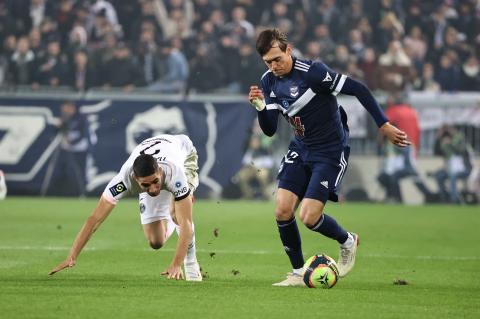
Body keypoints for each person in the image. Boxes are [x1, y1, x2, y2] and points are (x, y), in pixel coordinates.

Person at [248, 28, 410, 286]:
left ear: (289, 50)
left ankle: (348, 240)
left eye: (277, 58)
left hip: (330, 150)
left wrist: (384, 124)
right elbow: (269, 129)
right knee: (282, 209)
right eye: (268, 62)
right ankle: (299, 273)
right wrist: (259, 106)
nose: (274, 65)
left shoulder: (314, 73)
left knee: (309, 217)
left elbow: (359, 88)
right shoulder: (268, 82)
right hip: (301, 148)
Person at [49, 134, 202, 281]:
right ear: (136, 180)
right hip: (156, 157)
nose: (154, 189)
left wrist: (176, 264)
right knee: (156, 242)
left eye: (155, 181)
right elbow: (95, 219)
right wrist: (72, 255)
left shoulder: (175, 173)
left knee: (179, 216)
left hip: (184, 154)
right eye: (146, 185)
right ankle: (173, 201)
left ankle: (191, 263)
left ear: (160, 172)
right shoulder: (123, 181)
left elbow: (187, 223)